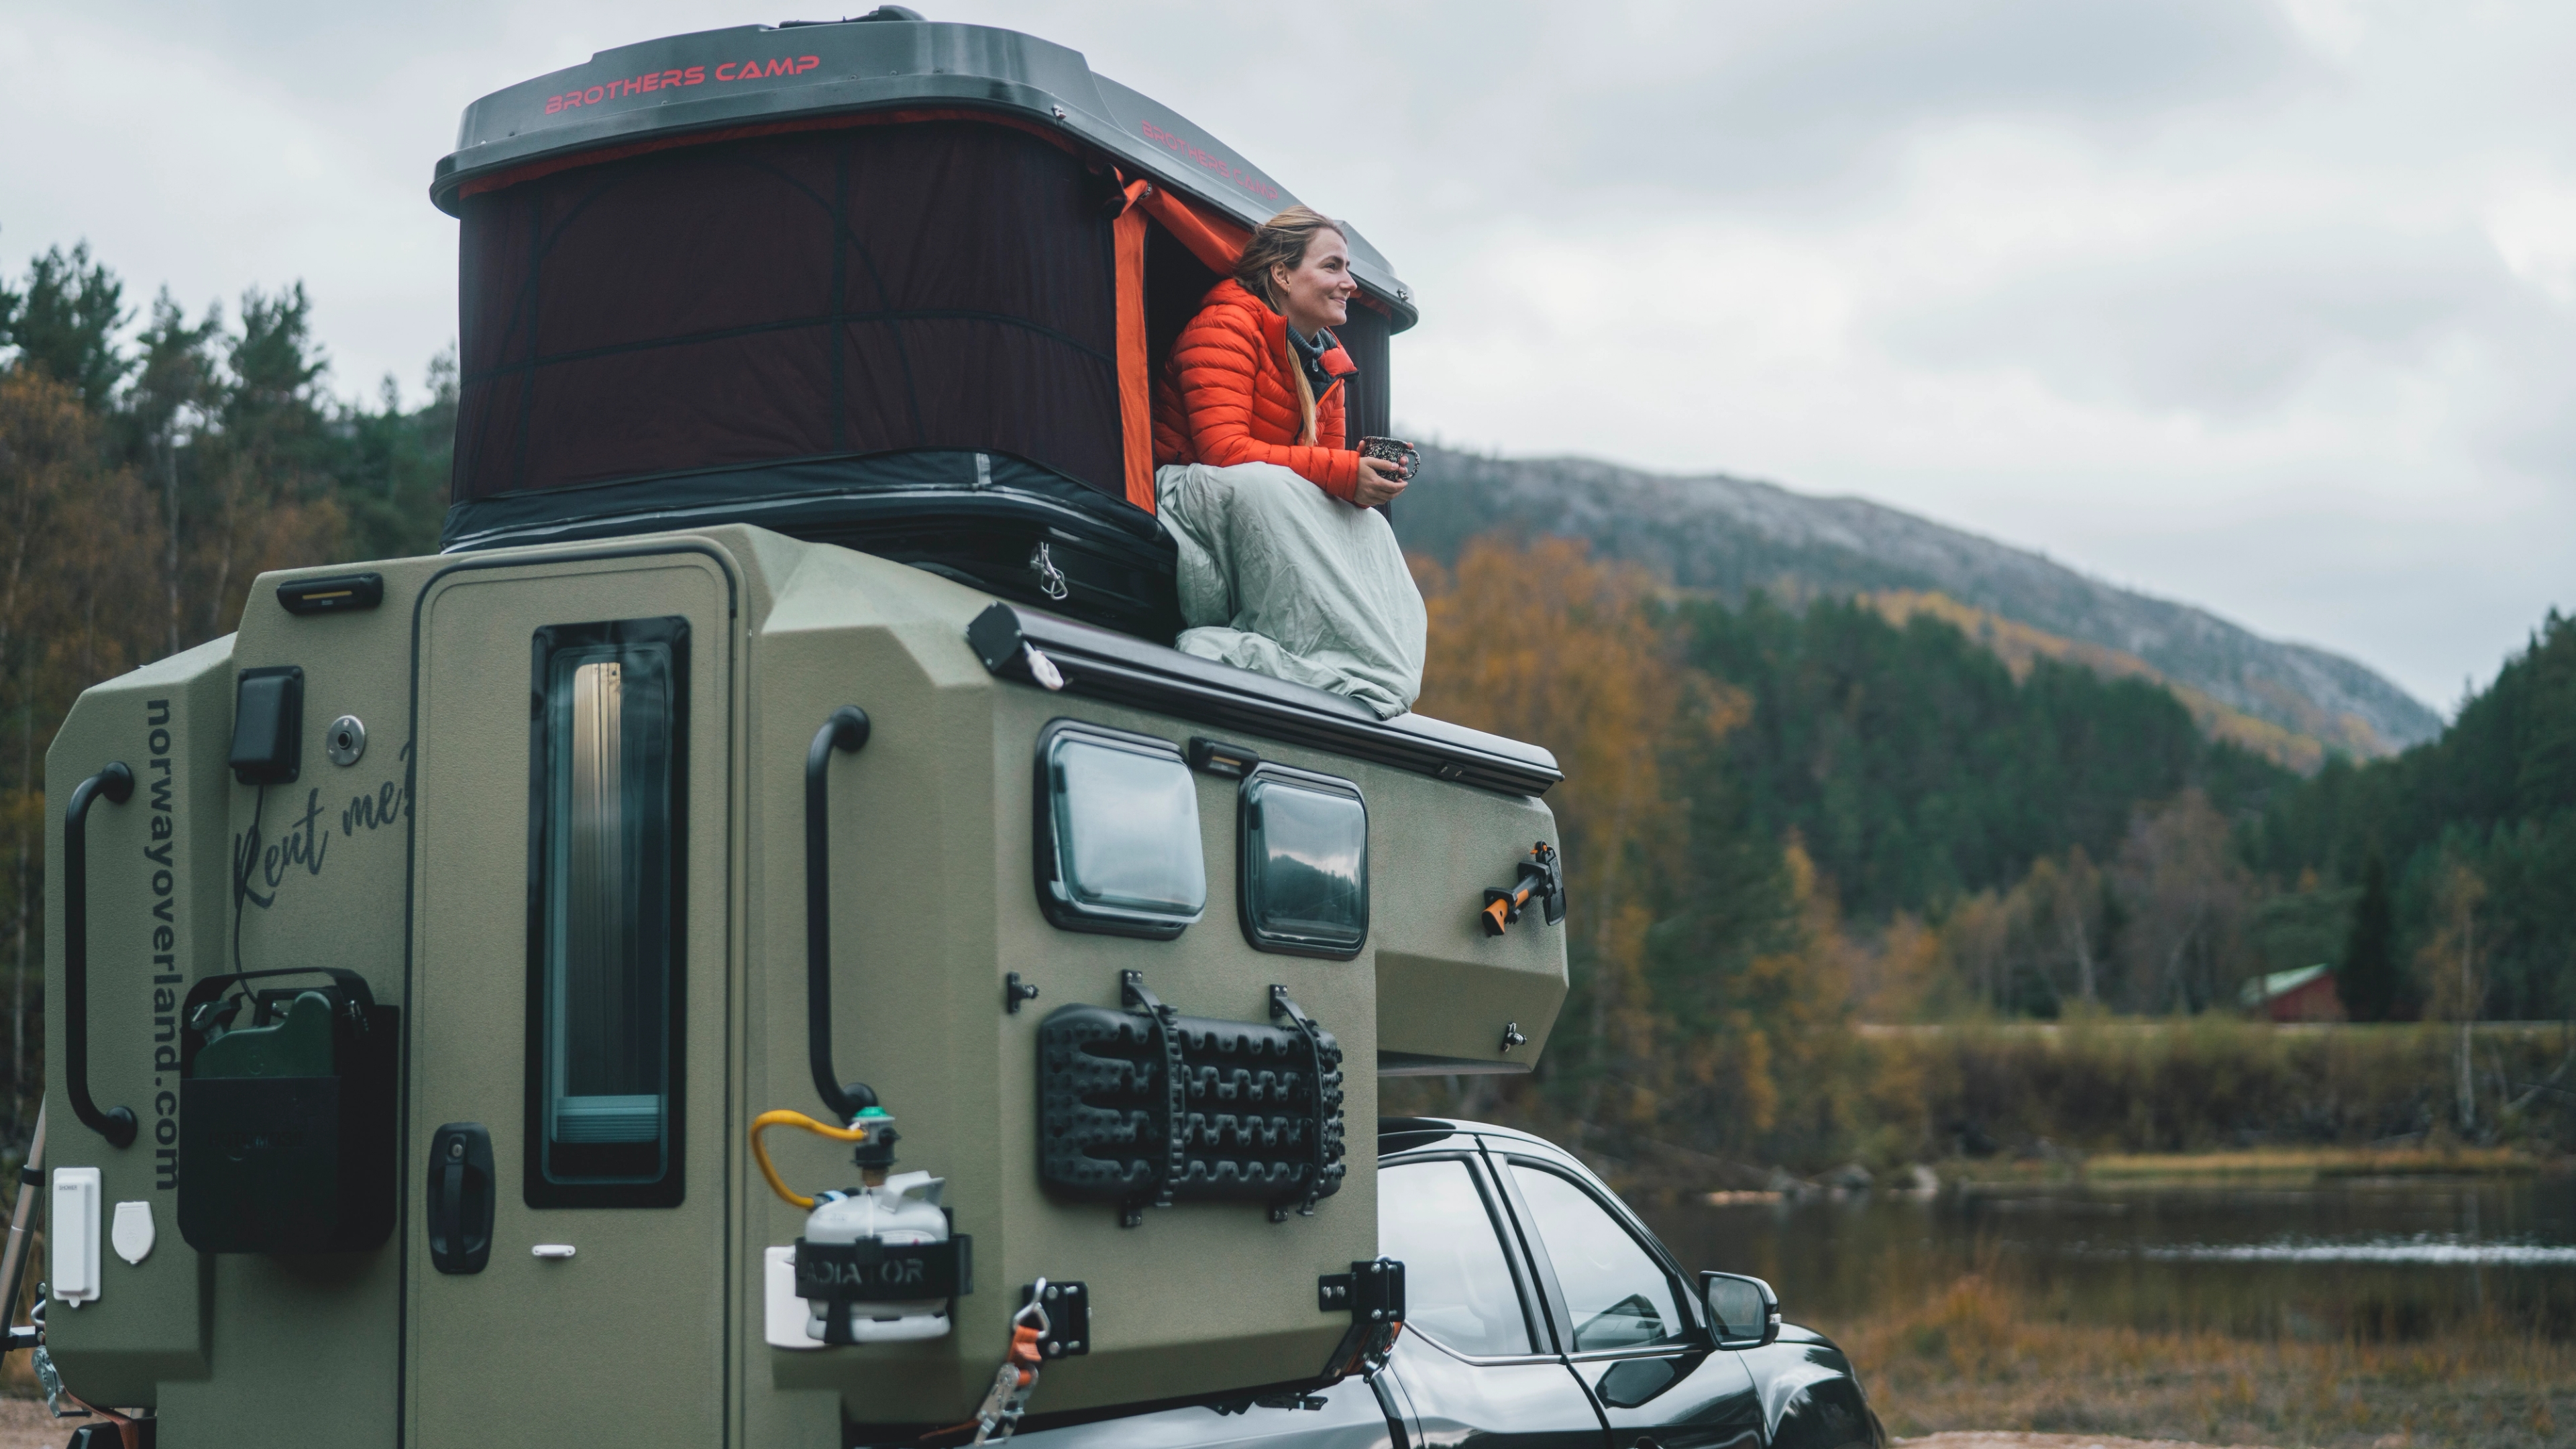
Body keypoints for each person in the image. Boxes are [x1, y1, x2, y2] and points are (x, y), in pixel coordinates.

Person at [1150, 206, 1426, 718]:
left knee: (1371, 531)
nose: (1349, 283)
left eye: (1347, 269)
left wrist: (1364, 479)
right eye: (1333, 267)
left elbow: (1327, 467)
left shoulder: (1328, 361)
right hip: (1191, 487)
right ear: (1281, 273)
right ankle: (1252, 649)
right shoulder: (1225, 325)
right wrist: (1341, 472)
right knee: (1267, 485)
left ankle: (1375, 675)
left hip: (1265, 489)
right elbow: (1223, 451)